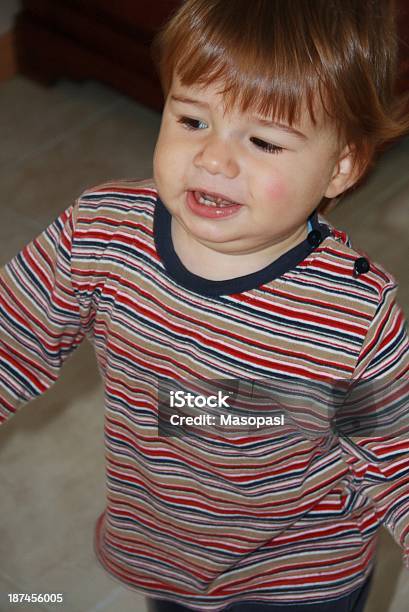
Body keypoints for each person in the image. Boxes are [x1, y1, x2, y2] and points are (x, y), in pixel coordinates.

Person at [1, 0, 409, 610]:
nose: (214, 159)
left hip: (298, 574)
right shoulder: (101, 232)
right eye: (192, 121)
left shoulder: (355, 314)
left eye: (264, 141)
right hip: (162, 546)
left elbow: (394, 451)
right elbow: (13, 336)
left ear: (340, 167)